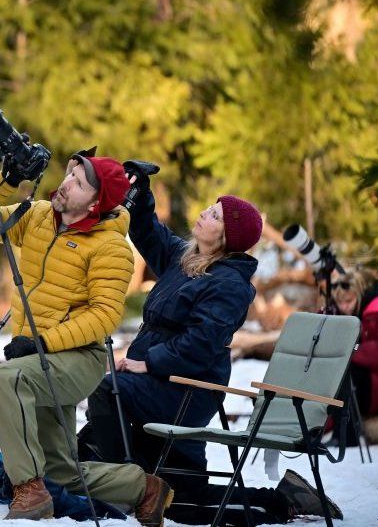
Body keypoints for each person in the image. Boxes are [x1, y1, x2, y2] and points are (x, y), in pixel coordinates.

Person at [81, 166, 341, 523]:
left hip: (184, 392)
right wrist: (140, 194)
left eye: (215, 215)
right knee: (185, 501)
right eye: (210, 208)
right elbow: (149, 233)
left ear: (227, 237)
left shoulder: (229, 284)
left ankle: (123, 487)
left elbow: (200, 345)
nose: (205, 213)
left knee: (107, 389)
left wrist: (149, 362)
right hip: (156, 385)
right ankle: (285, 499)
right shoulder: (187, 259)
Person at [0, 153, 173, 525]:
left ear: (95, 202)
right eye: (69, 174)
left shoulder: (110, 247)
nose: (65, 183)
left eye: (79, 183)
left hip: (78, 358)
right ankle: (142, 488)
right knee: (63, 475)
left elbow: (105, 316)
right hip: (35, 356)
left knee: (6, 379)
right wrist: (4, 181)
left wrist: (42, 343)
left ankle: (29, 490)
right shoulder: (37, 217)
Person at [327, 268, 378, 447]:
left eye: (348, 301)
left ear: (359, 295)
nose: (344, 306)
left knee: (348, 374)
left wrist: (351, 349)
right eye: (340, 302)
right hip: (363, 377)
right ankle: (321, 427)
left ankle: (347, 436)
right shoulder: (342, 312)